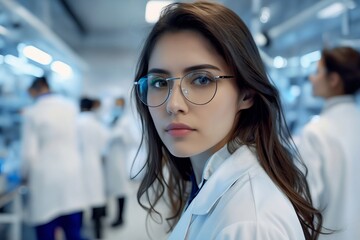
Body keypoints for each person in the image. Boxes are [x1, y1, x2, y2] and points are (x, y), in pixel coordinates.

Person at [131, 2, 323, 239]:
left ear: (246, 93)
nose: (173, 105)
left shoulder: (249, 225)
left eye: (201, 80)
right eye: (160, 83)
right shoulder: (208, 182)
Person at [296, 46, 360, 239]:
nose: (312, 78)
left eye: (318, 72)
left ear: (334, 80)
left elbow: (306, 207)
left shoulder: (315, 133)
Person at [21, 76, 87, 240]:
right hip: (72, 173)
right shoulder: (70, 107)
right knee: (73, 231)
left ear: (36, 89)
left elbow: (29, 153)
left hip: (45, 178)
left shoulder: (32, 112)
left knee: (46, 230)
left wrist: (23, 176)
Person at [78, 97, 109, 239]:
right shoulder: (97, 123)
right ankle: (98, 233)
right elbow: (104, 144)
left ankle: (80, 232)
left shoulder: (75, 122)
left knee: (79, 201)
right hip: (94, 164)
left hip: (78, 165)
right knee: (96, 199)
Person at [104, 97, 132, 227]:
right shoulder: (111, 119)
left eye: (119, 105)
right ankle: (109, 215)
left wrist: (121, 135)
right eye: (115, 104)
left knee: (121, 189)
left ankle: (120, 218)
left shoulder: (126, 121)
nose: (117, 107)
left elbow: (132, 139)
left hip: (120, 160)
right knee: (113, 189)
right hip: (110, 160)